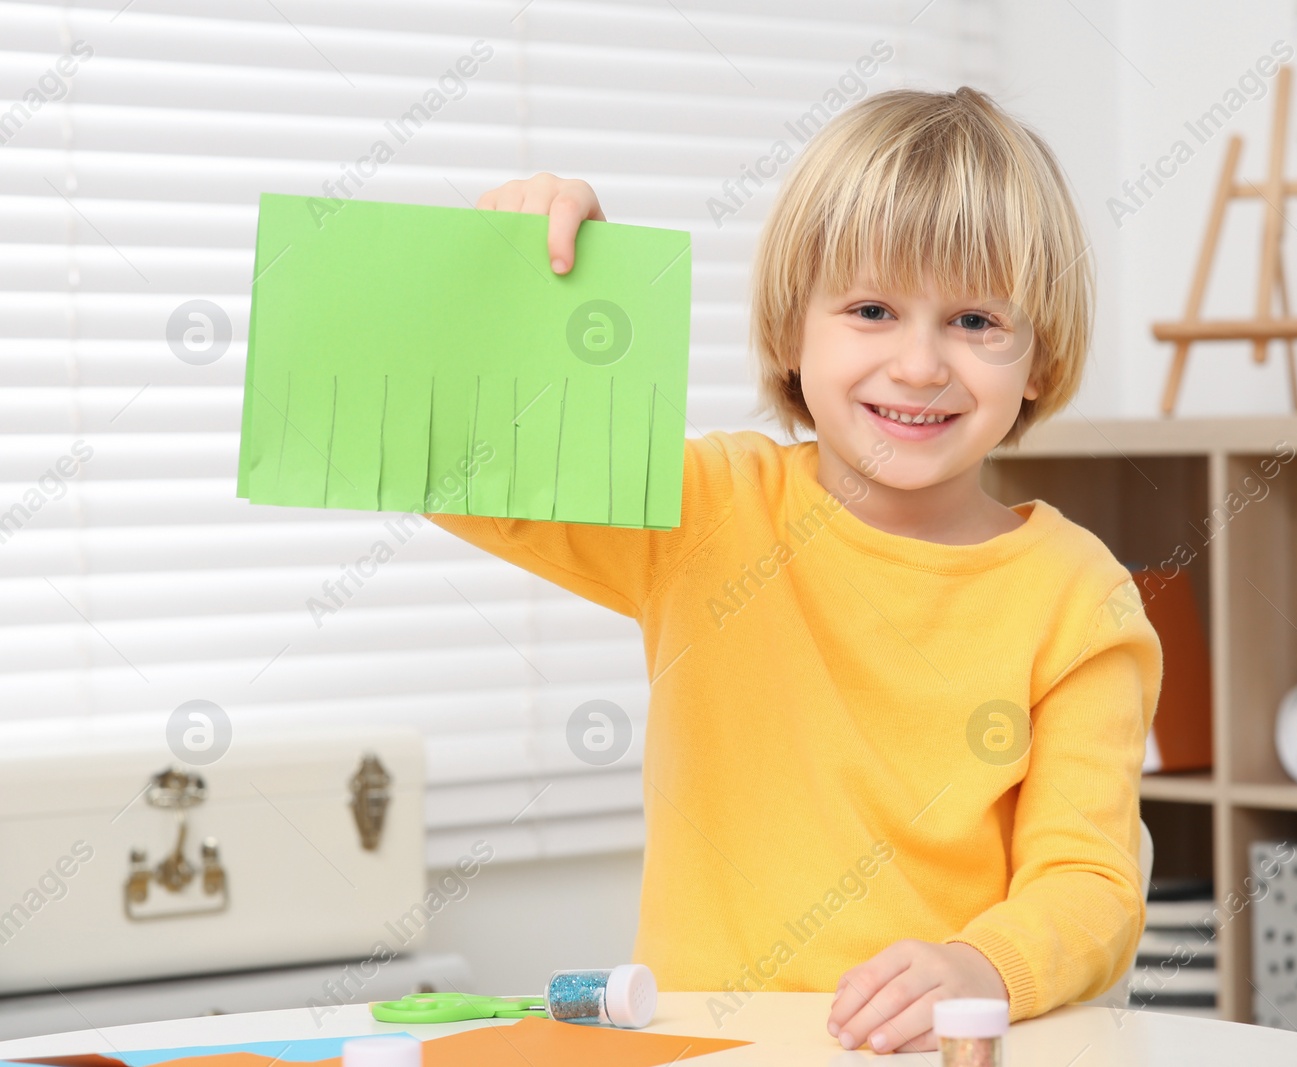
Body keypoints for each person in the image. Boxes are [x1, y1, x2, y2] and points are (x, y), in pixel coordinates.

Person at [426, 85, 1162, 1054]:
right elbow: (461, 464)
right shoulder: (711, 508)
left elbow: (1089, 881)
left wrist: (983, 965)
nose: (919, 364)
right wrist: (527, 279)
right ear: (789, 331)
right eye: (870, 308)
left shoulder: (1078, 593)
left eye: (975, 320)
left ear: (1038, 354)